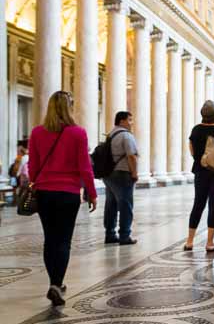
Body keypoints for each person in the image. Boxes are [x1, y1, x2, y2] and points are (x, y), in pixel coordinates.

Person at [28, 91, 97, 307]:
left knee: (50, 239)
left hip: (45, 193)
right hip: (68, 193)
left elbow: (32, 166)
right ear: (69, 108)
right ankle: (57, 283)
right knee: (64, 240)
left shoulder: (37, 133)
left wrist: (36, 183)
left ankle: (53, 282)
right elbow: (84, 167)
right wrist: (92, 193)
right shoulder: (78, 133)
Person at [184, 100, 214, 253]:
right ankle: (210, 242)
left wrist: (200, 159)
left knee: (198, 204)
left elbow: (191, 149)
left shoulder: (196, 130)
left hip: (200, 170)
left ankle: (189, 241)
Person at [103, 111, 138, 245]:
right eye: (129, 120)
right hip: (122, 173)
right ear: (122, 121)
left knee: (110, 204)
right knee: (125, 205)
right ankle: (124, 235)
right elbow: (131, 156)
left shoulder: (110, 134)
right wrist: (134, 172)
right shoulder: (126, 135)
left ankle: (110, 233)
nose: (131, 123)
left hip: (109, 174)